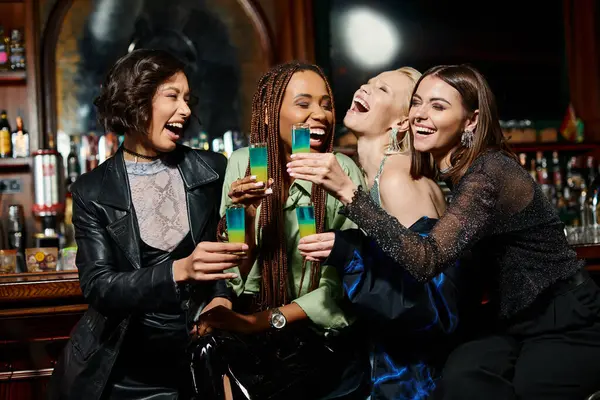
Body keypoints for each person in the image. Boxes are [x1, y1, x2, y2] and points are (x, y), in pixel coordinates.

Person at [288, 64, 600, 399]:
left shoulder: (489, 172)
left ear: (471, 121)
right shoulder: (452, 174)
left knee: (527, 389)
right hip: (507, 322)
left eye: (438, 106)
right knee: (462, 378)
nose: (420, 115)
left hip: (564, 319)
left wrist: (349, 194)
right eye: (417, 102)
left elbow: (427, 260)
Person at [48, 49, 246, 400]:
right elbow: (99, 287)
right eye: (172, 96)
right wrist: (179, 270)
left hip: (199, 364)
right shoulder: (92, 190)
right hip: (124, 370)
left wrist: (221, 302)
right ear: (134, 101)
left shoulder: (213, 169)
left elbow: (226, 263)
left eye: (187, 98)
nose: (185, 110)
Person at [197, 61, 369, 399]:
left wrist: (260, 321)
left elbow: (341, 284)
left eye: (326, 104)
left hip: (320, 348)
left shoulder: (341, 170)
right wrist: (245, 211)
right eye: (303, 104)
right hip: (253, 347)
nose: (319, 114)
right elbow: (236, 272)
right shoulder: (244, 163)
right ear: (268, 113)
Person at [303, 67, 467, 399]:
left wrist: (348, 253)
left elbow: (427, 300)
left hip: (409, 376)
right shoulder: (375, 174)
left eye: (382, 90)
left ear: (401, 123)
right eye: (368, 83)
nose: (365, 87)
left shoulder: (397, 177)